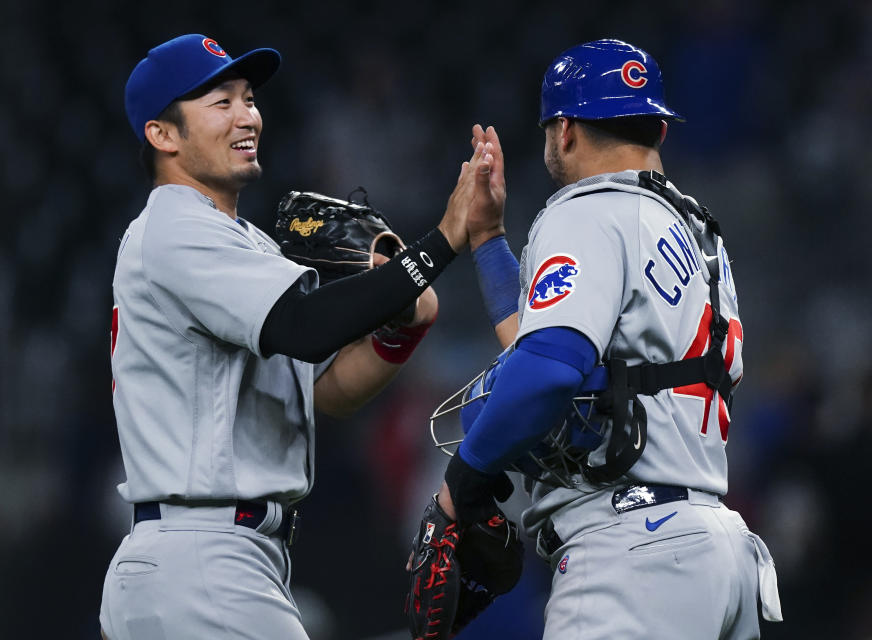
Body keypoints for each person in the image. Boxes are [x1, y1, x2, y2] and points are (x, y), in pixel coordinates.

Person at [99, 33, 498, 640]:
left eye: (249, 98)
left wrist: (397, 331)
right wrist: (440, 242)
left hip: (209, 561)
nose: (246, 115)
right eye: (220, 102)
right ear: (163, 135)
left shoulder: (245, 247)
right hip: (204, 560)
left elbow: (327, 392)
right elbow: (306, 326)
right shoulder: (175, 224)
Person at [427, 39, 783, 638]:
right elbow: (541, 344)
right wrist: (487, 239)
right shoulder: (699, 237)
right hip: (722, 554)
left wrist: (461, 483)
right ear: (659, 133)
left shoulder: (587, 209)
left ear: (563, 130)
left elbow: (546, 370)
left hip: (634, 559)